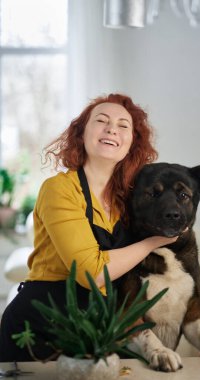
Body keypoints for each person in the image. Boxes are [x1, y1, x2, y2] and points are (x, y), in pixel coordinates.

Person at [0, 93, 178, 362]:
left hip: (98, 332)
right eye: (102, 121)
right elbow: (92, 274)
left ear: (131, 143)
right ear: (82, 134)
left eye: (123, 125)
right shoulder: (59, 189)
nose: (111, 129)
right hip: (40, 325)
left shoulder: (127, 201)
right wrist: (153, 242)